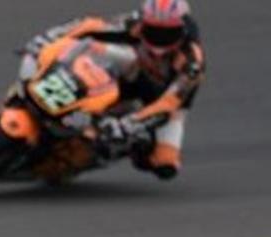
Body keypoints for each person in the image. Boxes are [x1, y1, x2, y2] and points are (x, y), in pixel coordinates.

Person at [18, 0, 205, 179]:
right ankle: (58, 99)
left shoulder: (191, 62)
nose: (159, 41)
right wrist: (48, 38)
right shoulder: (134, 22)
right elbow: (91, 25)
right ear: (144, 23)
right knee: (93, 50)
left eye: (168, 34)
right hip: (131, 73)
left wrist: (129, 124)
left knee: (165, 165)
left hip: (162, 101)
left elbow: (168, 104)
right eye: (153, 31)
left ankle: (128, 148)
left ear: (181, 31)